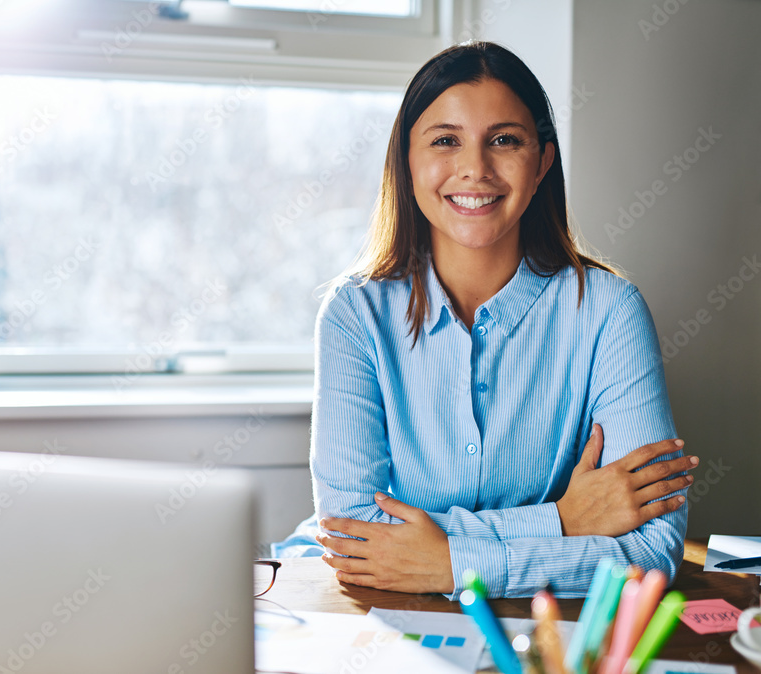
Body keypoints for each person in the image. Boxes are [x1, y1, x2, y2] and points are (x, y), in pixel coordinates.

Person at [272, 41, 697, 599]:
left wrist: (450, 565)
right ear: (407, 161)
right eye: (445, 141)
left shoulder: (610, 312)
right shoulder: (355, 316)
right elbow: (356, 540)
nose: (475, 168)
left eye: (504, 140)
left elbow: (648, 554)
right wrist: (562, 520)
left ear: (542, 162)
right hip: (384, 619)